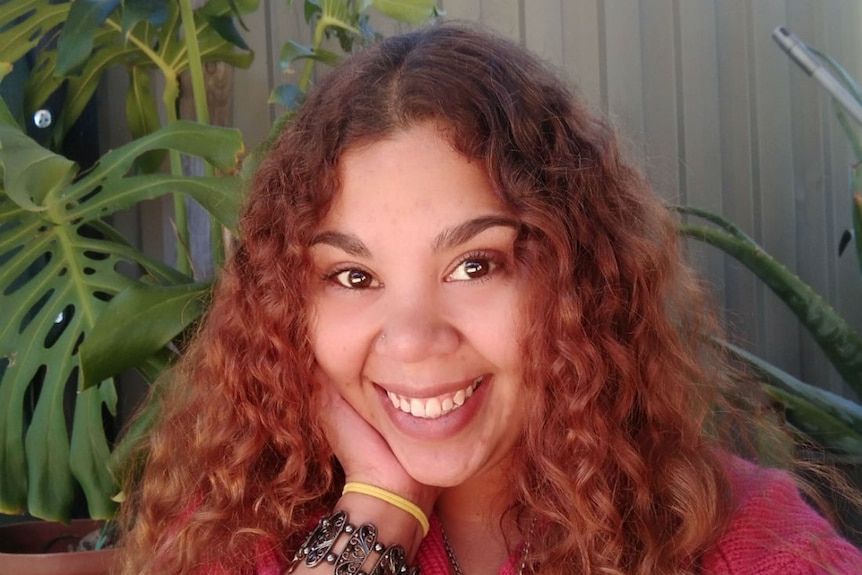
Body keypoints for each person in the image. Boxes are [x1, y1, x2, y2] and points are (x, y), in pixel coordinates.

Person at [116, 21, 862, 575]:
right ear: (285, 306)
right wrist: (375, 515)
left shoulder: (733, 534)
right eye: (352, 276)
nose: (411, 339)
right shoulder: (248, 535)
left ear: (576, 279)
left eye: (475, 264)